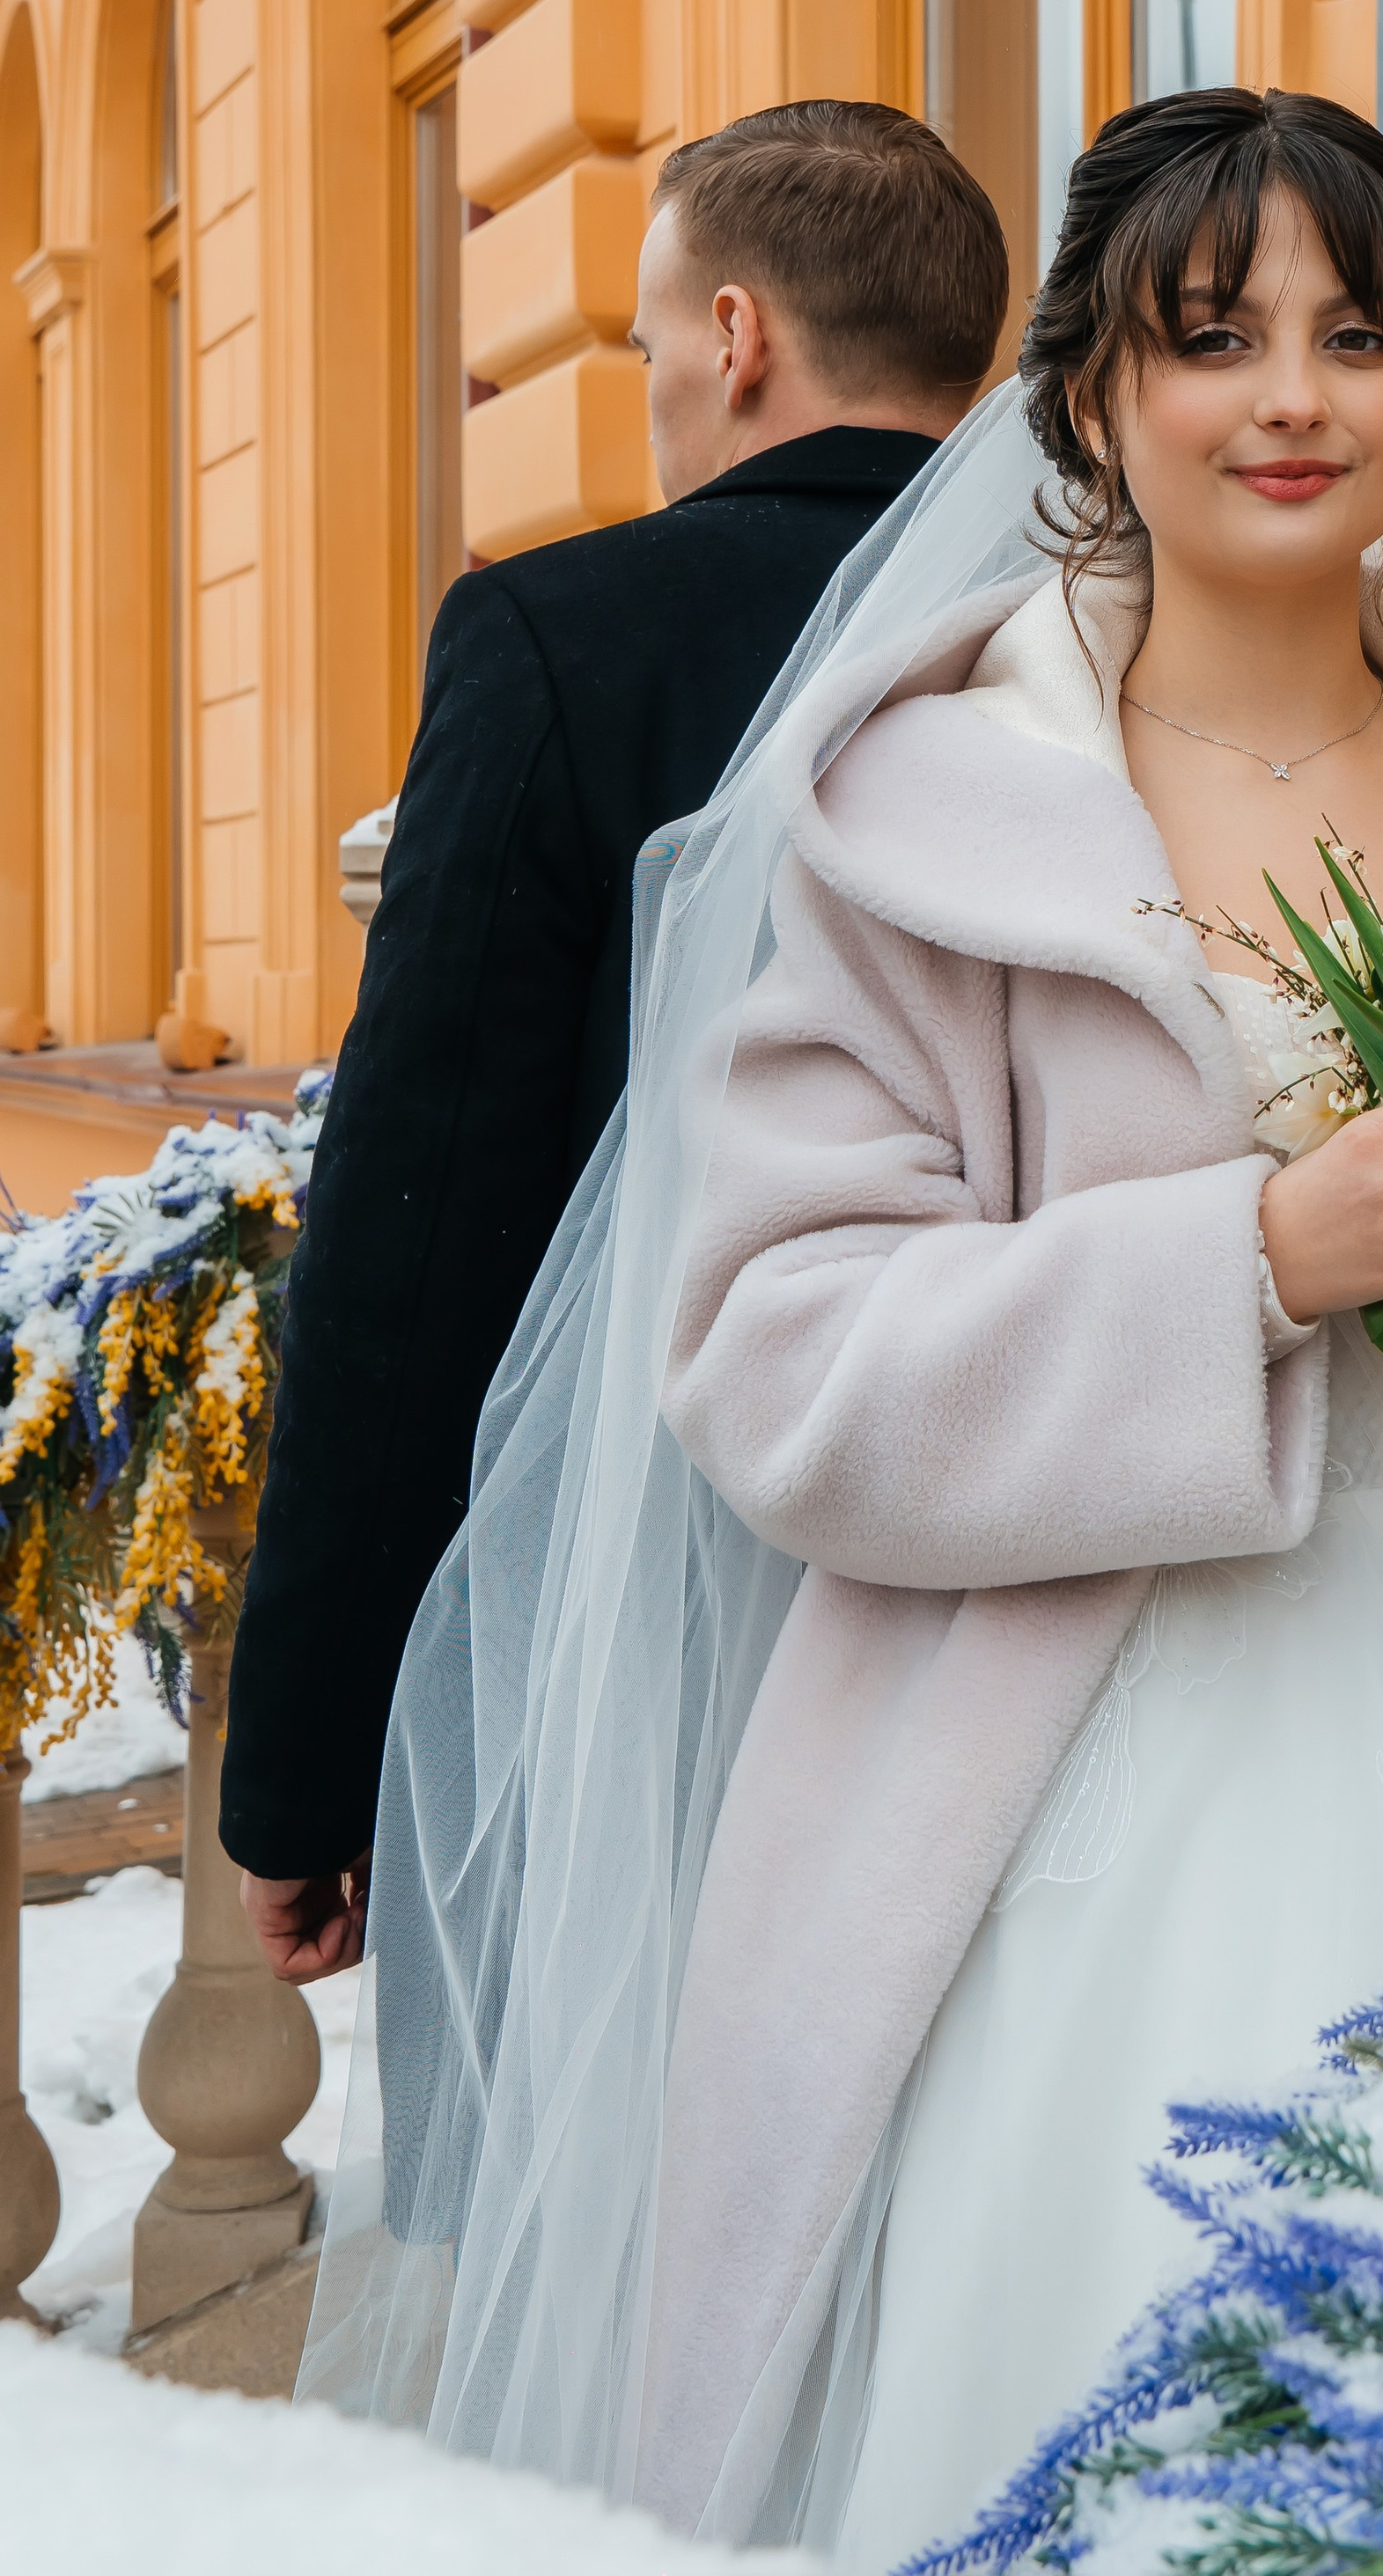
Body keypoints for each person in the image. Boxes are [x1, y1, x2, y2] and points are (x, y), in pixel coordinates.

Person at [300, 92, 1383, 2555]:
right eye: (1213, 336)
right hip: (1050, 1826)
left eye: (1359, 336)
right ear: (1089, 400)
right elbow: (778, 1351)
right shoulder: (920, 810)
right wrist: (1255, 1262)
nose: (1292, 398)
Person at [221, 100, 1009, 1971]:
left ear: (736, 337)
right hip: (1013, 1552)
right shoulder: (1094, 616)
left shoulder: (558, 639)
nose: (653, 382)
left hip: (646, 1597)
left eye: (648, 340)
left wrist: (313, 1762)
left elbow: (421, 1219)